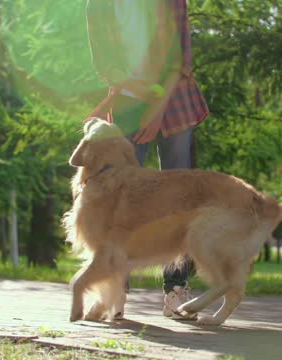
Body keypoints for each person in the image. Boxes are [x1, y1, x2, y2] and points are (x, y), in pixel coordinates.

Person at [85, 0, 209, 319]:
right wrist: (139, 98)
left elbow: (179, 61)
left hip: (174, 96)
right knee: (120, 197)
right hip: (129, 99)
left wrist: (155, 107)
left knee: (178, 197)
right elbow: (106, 65)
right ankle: (114, 292)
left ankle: (175, 290)